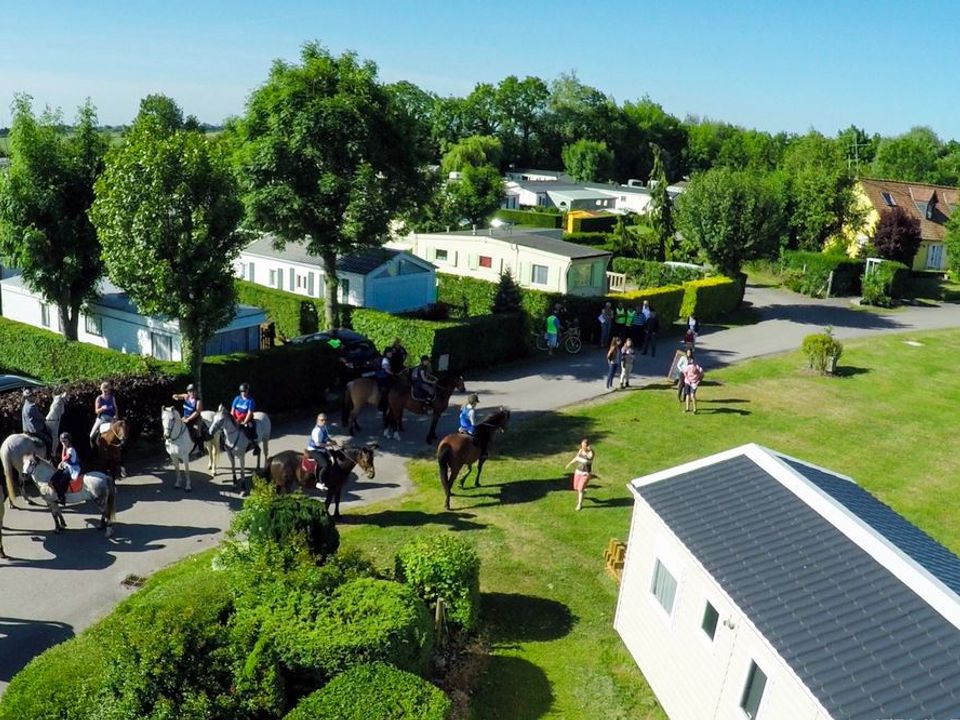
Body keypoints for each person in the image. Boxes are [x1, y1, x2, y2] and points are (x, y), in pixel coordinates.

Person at [306, 413, 339, 491]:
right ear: (317, 420)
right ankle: (319, 483)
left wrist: (332, 441)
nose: (324, 421)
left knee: (334, 457)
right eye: (322, 420)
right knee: (325, 465)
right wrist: (330, 444)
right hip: (314, 450)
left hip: (322, 449)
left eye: (325, 420)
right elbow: (318, 444)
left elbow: (326, 437)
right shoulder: (316, 431)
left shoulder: (324, 427)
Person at [172, 383, 206, 458]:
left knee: (197, 431)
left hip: (195, 419)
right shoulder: (186, 396)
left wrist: (188, 419)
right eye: (190, 391)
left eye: (194, 391)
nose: (192, 393)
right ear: (188, 392)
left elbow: (197, 412)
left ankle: (201, 449)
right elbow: (177, 396)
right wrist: (175, 396)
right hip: (185, 417)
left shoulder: (198, 401)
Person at [51, 432, 80, 506]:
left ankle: (62, 499)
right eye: (62, 441)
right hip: (67, 466)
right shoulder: (67, 448)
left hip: (72, 468)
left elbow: (64, 458)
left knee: (58, 483)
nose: (63, 443)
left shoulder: (70, 450)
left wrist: (63, 447)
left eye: (65, 441)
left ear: (69, 441)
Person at [565, 439, 595, 511]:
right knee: (575, 487)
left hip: (586, 473)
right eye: (582, 445)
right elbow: (576, 458)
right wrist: (569, 464)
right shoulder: (580, 450)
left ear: (588, 446)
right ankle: (582, 491)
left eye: (584, 445)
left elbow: (591, 456)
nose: (582, 446)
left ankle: (579, 504)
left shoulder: (590, 453)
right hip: (578, 471)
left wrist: (590, 450)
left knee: (580, 488)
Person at [21, 388, 52, 457]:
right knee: (49, 441)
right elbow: (41, 418)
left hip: (26, 430)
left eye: (33, 395)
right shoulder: (32, 407)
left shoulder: (24, 406)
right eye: (31, 395)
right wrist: (45, 419)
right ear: (28, 398)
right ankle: (49, 457)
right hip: (35, 431)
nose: (34, 396)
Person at [230, 383, 259, 456]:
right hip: (236, 418)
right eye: (242, 391)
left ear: (247, 391)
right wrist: (233, 419)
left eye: (244, 391)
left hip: (247, 418)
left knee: (250, 428)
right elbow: (232, 410)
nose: (243, 393)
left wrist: (244, 422)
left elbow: (249, 413)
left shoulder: (250, 401)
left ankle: (255, 445)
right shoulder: (237, 398)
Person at [89, 381, 119, 448]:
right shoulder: (99, 398)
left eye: (106, 391)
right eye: (103, 391)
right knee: (91, 435)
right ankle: (93, 450)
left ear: (109, 390)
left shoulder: (112, 397)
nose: (105, 392)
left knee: (120, 432)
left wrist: (116, 415)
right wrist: (102, 409)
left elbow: (116, 407)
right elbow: (96, 411)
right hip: (102, 419)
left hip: (111, 418)